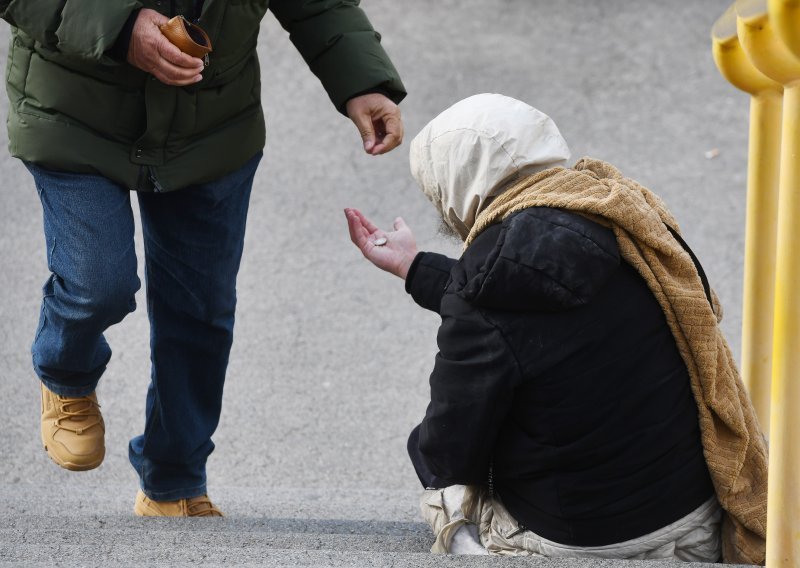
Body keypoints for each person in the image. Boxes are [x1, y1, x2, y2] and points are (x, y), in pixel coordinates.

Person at [1, 1, 405, 516]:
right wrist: (119, 27)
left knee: (200, 308)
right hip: (74, 109)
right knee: (96, 283)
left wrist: (361, 81)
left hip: (211, 125)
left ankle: (173, 479)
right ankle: (66, 374)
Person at [345, 94, 767, 564]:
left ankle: (477, 551)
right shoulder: (613, 220)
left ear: (457, 184)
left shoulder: (485, 293)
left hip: (588, 540)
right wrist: (414, 267)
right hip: (697, 516)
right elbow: (524, 298)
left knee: (429, 450)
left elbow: (450, 451)